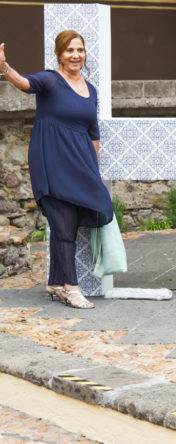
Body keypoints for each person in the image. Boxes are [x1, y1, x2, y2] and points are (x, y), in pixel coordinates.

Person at [0, 32, 114, 309]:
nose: (75, 55)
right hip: (51, 160)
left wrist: (93, 170)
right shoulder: (50, 79)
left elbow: (93, 132)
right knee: (63, 222)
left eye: (80, 50)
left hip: (80, 163)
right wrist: (4, 68)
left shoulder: (91, 89)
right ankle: (72, 288)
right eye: (69, 50)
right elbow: (26, 84)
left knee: (72, 221)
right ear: (59, 54)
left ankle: (54, 282)